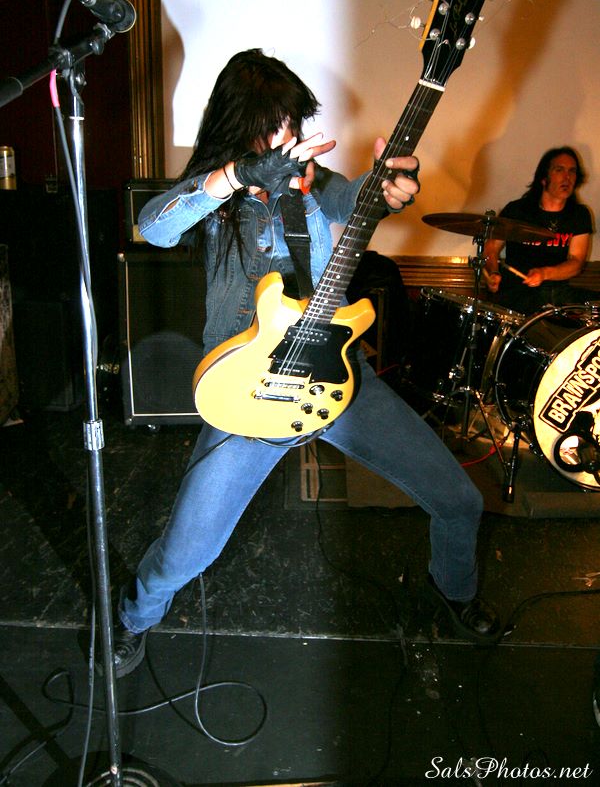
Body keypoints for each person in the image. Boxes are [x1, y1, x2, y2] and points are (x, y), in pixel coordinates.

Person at [108, 49, 500, 678]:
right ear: (240, 126)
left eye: (293, 123)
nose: (288, 138)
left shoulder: (313, 183)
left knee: (459, 500)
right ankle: (133, 617)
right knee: (185, 556)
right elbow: (152, 226)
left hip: (338, 378)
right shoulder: (217, 196)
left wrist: (388, 189)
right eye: (275, 126)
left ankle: (453, 591)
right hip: (252, 391)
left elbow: (358, 198)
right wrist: (239, 175)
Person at [484, 146, 594, 315]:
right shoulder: (517, 210)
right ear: (544, 178)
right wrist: (493, 272)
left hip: (556, 293)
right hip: (517, 293)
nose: (567, 177)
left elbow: (576, 263)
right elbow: (491, 247)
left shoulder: (579, 214)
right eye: (559, 170)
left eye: (572, 171)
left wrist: (544, 273)